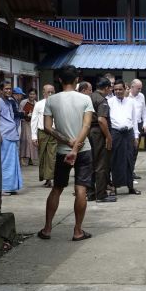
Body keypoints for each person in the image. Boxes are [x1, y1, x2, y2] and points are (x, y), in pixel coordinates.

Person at [37, 65, 94, 241]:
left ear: (60, 80)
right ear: (77, 80)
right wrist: (76, 148)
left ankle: (47, 229)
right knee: (81, 189)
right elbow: (86, 125)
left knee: (57, 188)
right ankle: (77, 231)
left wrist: (68, 142)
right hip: (83, 150)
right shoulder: (85, 99)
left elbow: (47, 127)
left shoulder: (51, 100)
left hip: (63, 151)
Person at [107, 79, 140, 196]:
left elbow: (134, 120)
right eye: (115, 89)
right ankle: (115, 187)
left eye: (120, 89)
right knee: (115, 160)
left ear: (125, 89)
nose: (118, 91)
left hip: (129, 133)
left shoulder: (130, 102)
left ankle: (130, 187)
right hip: (115, 133)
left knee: (129, 159)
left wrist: (136, 136)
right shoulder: (109, 102)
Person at [87, 78, 115, 202]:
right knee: (101, 164)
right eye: (110, 88)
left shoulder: (89, 97)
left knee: (91, 164)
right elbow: (101, 120)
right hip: (98, 133)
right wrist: (108, 136)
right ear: (107, 88)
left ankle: (91, 193)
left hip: (88, 131)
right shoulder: (102, 100)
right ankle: (101, 194)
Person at [0, 81, 23, 195]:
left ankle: (11, 187)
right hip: (4, 135)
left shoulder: (9, 102)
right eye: (6, 89)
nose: (8, 91)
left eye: (10, 89)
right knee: (4, 162)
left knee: (12, 163)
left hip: (12, 135)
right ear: (0, 90)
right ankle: (3, 187)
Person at [30, 84, 57, 187]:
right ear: (43, 93)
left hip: (54, 132)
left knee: (52, 156)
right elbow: (34, 120)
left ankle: (51, 178)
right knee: (42, 156)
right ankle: (46, 178)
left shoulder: (58, 104)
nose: (50, 94)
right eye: (48, 92)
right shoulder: (39, 104)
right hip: (42, 132)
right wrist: (34, 136)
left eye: (52, 92)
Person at [128, 79, 146, 179]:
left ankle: (131, 171)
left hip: (138, 125)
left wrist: (145, 123)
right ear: (132, 87)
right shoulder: (126, 96)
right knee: (128, 150)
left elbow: (144, 111)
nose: (140, 90)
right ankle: (126, 171)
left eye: (141, 88)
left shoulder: (141, 96)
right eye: (138, 88)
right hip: (128, 125)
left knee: (135, 150)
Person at [20, 89, 38, 165]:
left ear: (36, 95)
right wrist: (26, 114)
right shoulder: (23, 102)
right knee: (26, 140)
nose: (32, 96)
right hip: (25, 123)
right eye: (30, 94)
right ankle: (24, 159)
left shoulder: (37, 103)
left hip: (33, 124)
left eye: (33, 94)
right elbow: (20, 112)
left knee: (33, 140)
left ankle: (32, 159)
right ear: (28, 94)